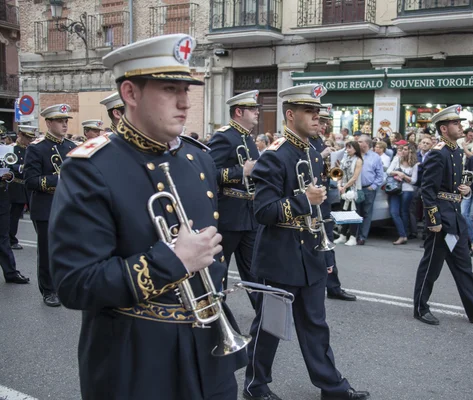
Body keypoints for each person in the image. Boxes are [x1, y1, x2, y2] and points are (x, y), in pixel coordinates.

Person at [49, 34, 247, 399]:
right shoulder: (91, 166)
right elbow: (75, 283)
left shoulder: (198, 158)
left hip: (208, 346)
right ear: (130, 93)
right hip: (137, 356)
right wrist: (170, 261)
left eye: (186, 89)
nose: (185, 102)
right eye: (170, 89)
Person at [244, 83, 369, 400]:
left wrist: (328, 252)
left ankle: (332, 387)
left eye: (319, 113)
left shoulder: (313, 151)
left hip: (312, 250)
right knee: (271, 325)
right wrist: (303, 200)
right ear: (290, 114)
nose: (318, 119)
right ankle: (255, 384)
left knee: (316, 324)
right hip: (280, 254)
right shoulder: (274, 156)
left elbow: (323, 202)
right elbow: (263, 211)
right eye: (310, 112)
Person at [413, 104, 473, 326]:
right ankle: (420, 308)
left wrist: (466, 189)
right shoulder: (438, 153)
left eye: (460, 122)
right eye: (455, 123)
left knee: (464, 267)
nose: (461, 126)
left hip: (455, 218)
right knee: (431, 267)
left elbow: (454, 184)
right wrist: (433, 221)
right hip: (441, 220)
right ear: (443, 129)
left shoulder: (457, 151)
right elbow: (428, 190)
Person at [208, 90, 261, 308]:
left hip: (249, 213)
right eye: (253, 109)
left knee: (255, 269)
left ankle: (265, 315)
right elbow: (210, 173)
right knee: (219, 269)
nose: (257, 112)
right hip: (229, 214)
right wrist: (241, 171)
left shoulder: (247, 137)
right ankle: (218, 315)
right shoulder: (224, 136)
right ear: (239, 112)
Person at [24, 104, 77, 307]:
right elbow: (31, 181)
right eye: (60, 121)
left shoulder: (71, 147)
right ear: (48, 123)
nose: (64, 124)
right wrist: (60, 179)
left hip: (69, 207)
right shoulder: (37, 148)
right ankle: (48, 290)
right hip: (46, 207)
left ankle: (65, 285)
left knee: (70, 249)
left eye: (66, 121)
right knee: (47, 251)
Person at [313, 104, 356, 301]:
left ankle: (333, 286)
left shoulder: (320, 142)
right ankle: (322, 285)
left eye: (324, 122)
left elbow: (330, 175)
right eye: (320, 121)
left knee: (328, 242)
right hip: (310, 202)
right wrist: (319, 157)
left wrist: (336, 168)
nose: (323, 125)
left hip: (324, 200)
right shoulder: (308, 143)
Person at [0, 136, 30, 284]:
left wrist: (9, 176)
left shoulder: (3, 151)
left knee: (3, 236)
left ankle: (10, 272)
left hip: (2, 196)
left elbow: (10, 169)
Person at [8, 125, 37, 250]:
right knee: (14, 214)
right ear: (20, 135)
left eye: (30, 138)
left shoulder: (31, 149)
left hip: (28, 186)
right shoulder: (12, 149)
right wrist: (21, 167)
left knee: (36, 213)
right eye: (26, 137)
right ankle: (11, 239)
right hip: (16, 184)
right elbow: (9, 165)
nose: (29, 141)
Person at [354, 134, 384, 245]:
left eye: (360, 142)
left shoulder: (375, 157)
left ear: (367, 143)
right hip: (356, 188)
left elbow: (380, 175)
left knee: (366, 213)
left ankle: (362, 237)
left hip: (368, 188)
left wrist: (373, 186)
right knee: (355, 212)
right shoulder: (354, 155)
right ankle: (354, 235)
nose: (358, 143)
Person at [386, 144, 418, 245]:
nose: (403, 151)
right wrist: (397, 173)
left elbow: (414, 180)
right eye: (402, 149)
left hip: (407, 190)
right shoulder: (397, 159)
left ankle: (402, 235)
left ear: (410, 151)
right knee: (394, 212)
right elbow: (388, 171)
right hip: (395, 188)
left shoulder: (414, 164)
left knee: (404, 212)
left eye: (405, 149)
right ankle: (403, 235)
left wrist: (404, 176)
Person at [334, 141, 363, 246]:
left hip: (353, 189)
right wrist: (339, 185)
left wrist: (344, 186)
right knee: (344, 212)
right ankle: (342, 235)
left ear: (355, 149)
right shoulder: (344, 159)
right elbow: (339, 173)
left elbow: (355, 177)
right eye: (347, 147)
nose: (347, 150)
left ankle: (353, 236)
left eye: (350, 147)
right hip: (343, 188)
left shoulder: (358, 160)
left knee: (353, 213)